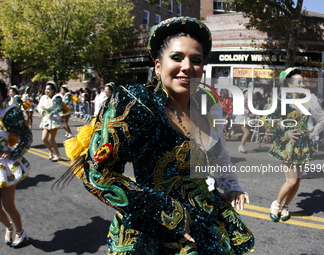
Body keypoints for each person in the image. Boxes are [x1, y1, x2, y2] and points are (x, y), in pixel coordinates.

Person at [56, 16, 254, 254]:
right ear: (158, 65)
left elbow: (218, 155)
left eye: (196, 60)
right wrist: (167, 211)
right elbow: (97, 173)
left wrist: (231, 185)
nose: (187, 66)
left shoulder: (205, 105)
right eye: (177, 57)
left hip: (208, 224)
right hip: (155, 233)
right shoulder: (136, 103)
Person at [263, 67, 320, 222]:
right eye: (299, 81)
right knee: (292, 180)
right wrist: (284, 131)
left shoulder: (305, 100)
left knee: (298, 180)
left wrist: (310, 130)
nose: (303, 84)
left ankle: (286, 206)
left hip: (303, 145)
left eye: (303, 81)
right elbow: (268, 118)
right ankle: (276, 204)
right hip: (288, 144)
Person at [0, 79, 32, 248]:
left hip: (3, 165)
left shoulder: (9, 113)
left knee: (8, 204)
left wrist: (14, 151)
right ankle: (9, 227)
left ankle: (20, 232)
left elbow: (26, 137)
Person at [36, 81, 65, 162]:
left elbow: (59, 108)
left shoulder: (57, 97)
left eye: (48, 89)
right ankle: (51, 151)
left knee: (51, 139)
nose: (46, 91)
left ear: (53, 90)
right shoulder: (43, 98)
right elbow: (39, 106)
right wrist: (42, 112)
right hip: (46, 119)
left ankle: (58, 154)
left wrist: (52, 113)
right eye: (46, 89)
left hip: (54, 120)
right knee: (44, 139)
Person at [233, 89, 252, 153]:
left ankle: (242, 145)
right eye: (247, 94)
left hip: (246, 118)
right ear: (244, 95)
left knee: (247, 133)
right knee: (247, 133)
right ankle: (241, 146)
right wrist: (248, 112)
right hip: (242, 118)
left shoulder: (248, 102)